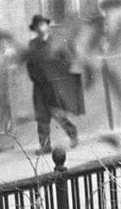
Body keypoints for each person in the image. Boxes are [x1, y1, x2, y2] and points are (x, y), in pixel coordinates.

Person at [26, 14, 80, 154]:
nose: (41, 28)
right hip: (39, 86)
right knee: (41, 115)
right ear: (35, 29)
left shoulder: (57, 42)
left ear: (47, 26)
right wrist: (36, 78)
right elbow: (30, 65)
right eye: (38, 26)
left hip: (54, 85)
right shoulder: (32, 44)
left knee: (57, 113)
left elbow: (67, 60)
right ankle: (45, 145)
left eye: (43, 24)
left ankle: (72, 132)